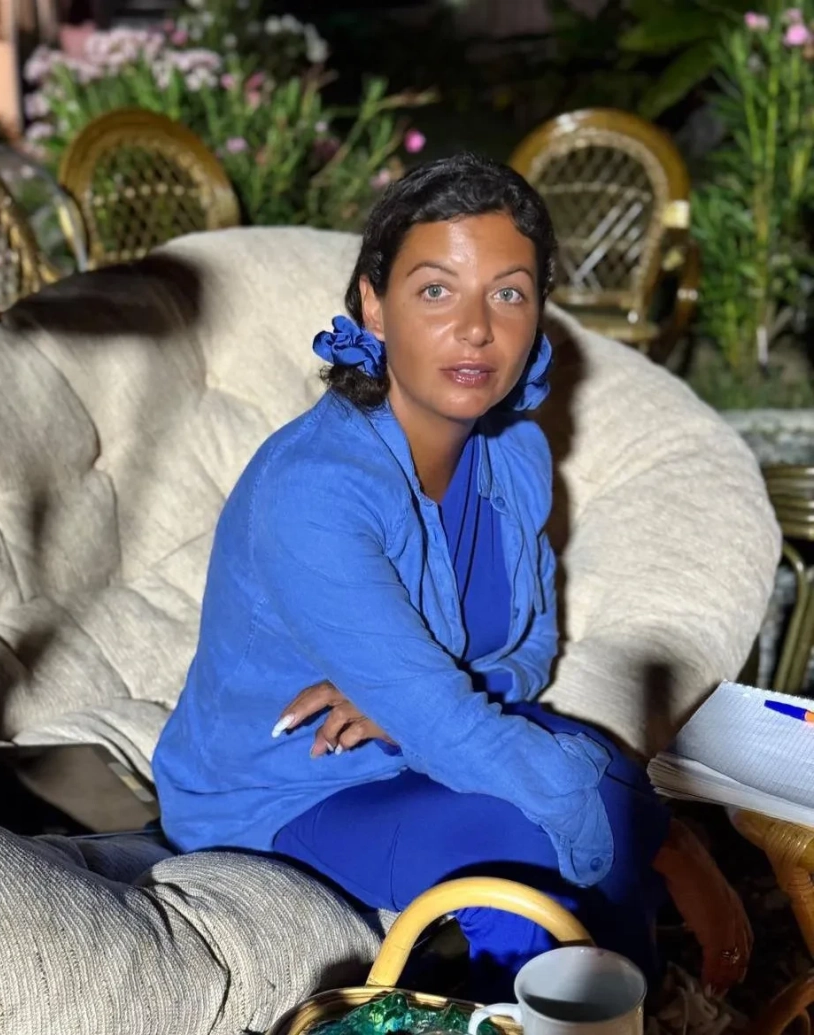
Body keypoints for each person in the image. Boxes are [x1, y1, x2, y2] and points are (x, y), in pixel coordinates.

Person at [152, 153, 751, 1001]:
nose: (476, 329)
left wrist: (406, 704)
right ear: (374, 304)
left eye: (509, 293)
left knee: (587, 779)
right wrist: (643, 827)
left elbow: (529, 654)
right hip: (281, 791)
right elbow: (457, 723)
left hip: (412, 755)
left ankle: (633, 1008)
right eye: (436, 290)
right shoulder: (314, 489)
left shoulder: (516, 453)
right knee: (532, 838)